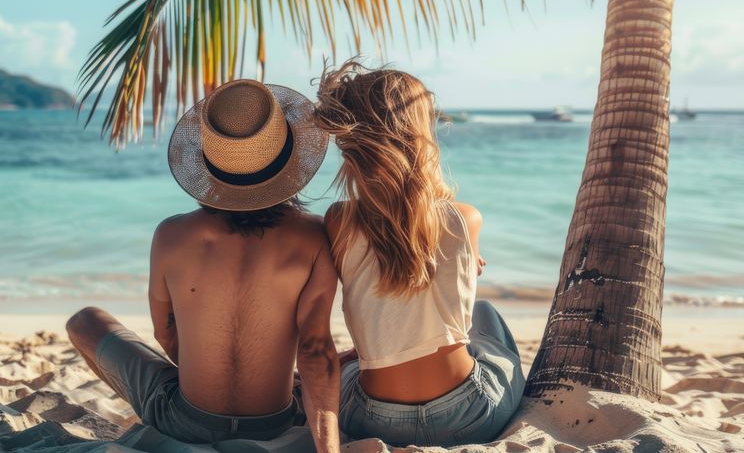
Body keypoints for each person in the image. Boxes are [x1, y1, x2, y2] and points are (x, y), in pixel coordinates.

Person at [66, 79, 342, 451]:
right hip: (274, 424)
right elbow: (314, 347)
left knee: (83, 321)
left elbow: (166, 335)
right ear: (289, 165)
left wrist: (208, 377)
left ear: (210, 166)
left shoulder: (171, 235)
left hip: (185, 421)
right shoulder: (313, 236)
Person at [313, 61, 524, 447]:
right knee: (486, 317)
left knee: (351, 367)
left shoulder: (337, 221)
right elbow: (449, 298)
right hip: (470, 416)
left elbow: (383, 295)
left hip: (373, 420)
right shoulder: (465, 219)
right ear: (419, 134)